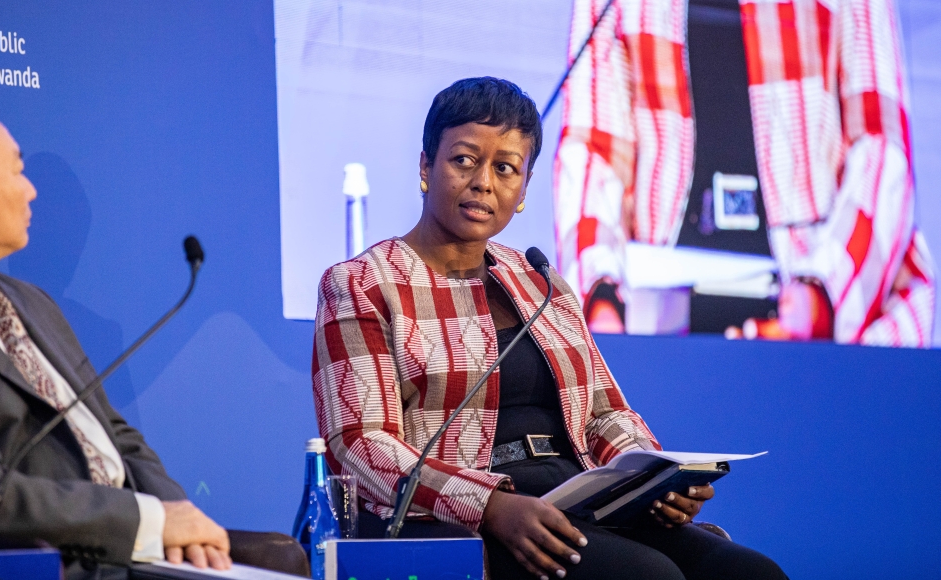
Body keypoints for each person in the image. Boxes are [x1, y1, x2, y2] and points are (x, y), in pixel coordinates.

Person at [312, 78, 786, 580]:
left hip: (578, 497)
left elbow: (604, 414)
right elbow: (360, 444)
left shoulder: (540, 282)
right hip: (460, 520)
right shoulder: (363, 283)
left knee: (752, 573)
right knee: (647, 576)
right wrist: (490, 507)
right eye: (464, 160)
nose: (484, 183)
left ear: (522, 190)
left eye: (505, 168)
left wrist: (653, 481)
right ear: (426, 167)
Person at [553, 0, 935, 345]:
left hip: (813, 295)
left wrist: (822, 299)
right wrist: (600, 300)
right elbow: (592, 143)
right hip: (658, 303)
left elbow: (880, 136)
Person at [0, 88, 231, 578]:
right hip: (55, 565)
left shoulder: (34, 303)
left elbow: (114, 432)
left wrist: (182, 521)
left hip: (141, 558)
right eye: (17, 171)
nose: (31, 191)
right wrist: (152, 521)